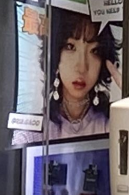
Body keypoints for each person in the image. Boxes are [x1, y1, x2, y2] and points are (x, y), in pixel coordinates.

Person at [45, 8, 119, 139]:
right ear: (55, 54)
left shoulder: (111, 124)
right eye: (70, 47)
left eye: (94, 51)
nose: (82, 67)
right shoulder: (35, 129)